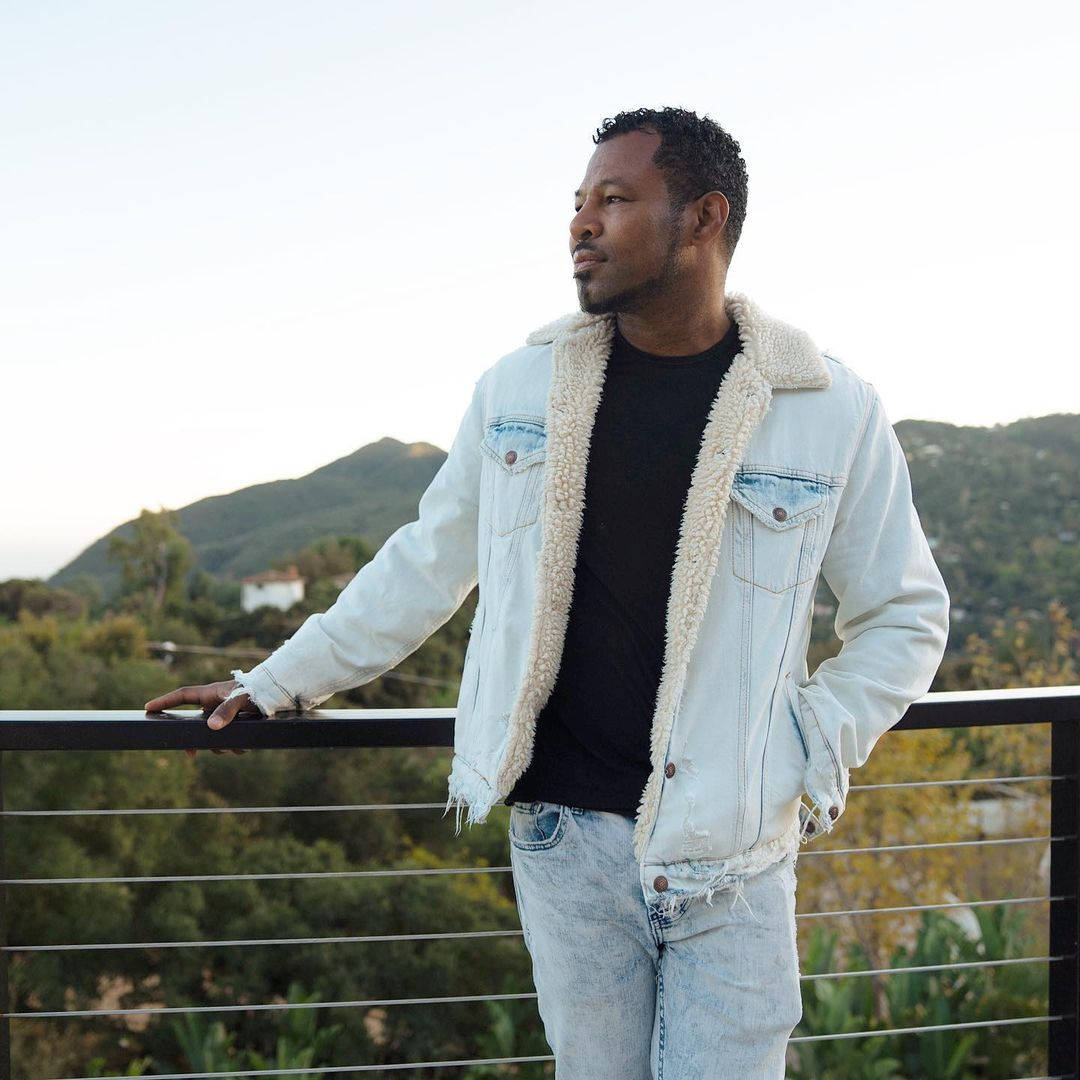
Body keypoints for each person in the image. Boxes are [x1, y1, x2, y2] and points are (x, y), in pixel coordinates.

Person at [146, 106, 950, 1078]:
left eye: (615, 200)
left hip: (734, 850)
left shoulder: (826, 406)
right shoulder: (518, 388)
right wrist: (272, 680)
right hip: (564, 837)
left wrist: (807, 750)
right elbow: (426, 562)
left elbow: (906, 615)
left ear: (703, 219)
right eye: (577, 202)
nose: (581, 224)